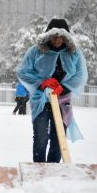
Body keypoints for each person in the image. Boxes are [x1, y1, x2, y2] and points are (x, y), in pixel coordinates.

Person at [17, 18, 88, 163]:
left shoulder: (74, 53)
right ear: (48, 35)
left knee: (58, 138)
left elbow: (81, 74)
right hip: (41, 101)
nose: (57, 40)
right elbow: (23, 71)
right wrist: (42, 83)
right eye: (54, 36)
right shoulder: (35, 51)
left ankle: (53, 171)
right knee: (40, 136)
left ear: (66, 37)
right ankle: (38, 169)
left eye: (61, 36)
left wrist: (64, 87)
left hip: (63, 100)